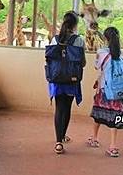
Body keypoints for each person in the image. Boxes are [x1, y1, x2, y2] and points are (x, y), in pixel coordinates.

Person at [87, 26, 123, 158]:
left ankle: (94, 138)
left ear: (105, 38)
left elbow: (97, 67)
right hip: (118, 90)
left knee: (98, 112)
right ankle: (113, 146)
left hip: (104, 89)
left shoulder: (101, 52)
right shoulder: (121, 53)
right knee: (114, 117)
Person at [48, 11, 86, 154]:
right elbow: (82, 63)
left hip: (57, 79)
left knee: (59, 108)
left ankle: (58, 142)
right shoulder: (79, 40)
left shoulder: (55, 39)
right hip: (72, 80)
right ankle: (62, 136)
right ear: (75, 25)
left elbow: (49, 60)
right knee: (67, 108)